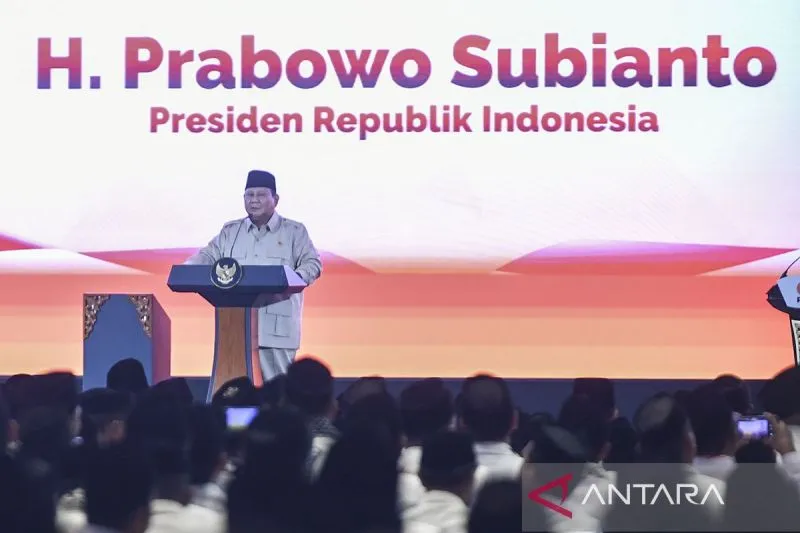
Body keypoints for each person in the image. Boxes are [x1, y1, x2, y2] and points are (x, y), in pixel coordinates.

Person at [185, 170, 323, 380]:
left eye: (261, 195)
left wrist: (293, 280)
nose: (254, 200)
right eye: (249, 195)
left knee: (276, 391)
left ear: (275, 199)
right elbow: (208, 256)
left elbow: (312, 263)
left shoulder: (294, 231)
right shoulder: (231, 231)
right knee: (236, 390)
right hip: (235, 330)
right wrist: (187, 269)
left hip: (276, 331)